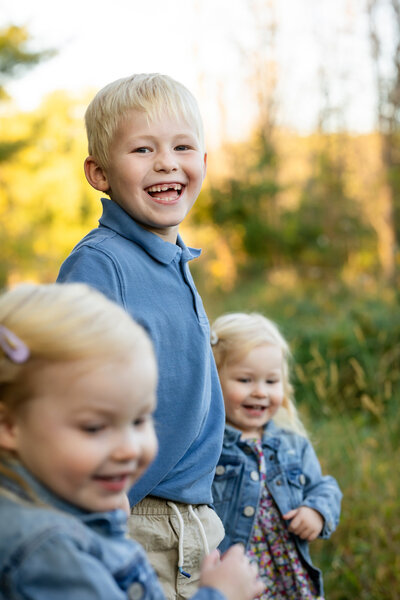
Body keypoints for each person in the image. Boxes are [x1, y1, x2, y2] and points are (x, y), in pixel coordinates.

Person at [56, 73, 226, 598]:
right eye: (143, 149)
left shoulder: (174, 259)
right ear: (99, 172)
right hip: (140, 521)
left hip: (196, 517)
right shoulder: (101, 264)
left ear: (203, 162)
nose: (167, 162)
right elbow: (70, 390)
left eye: (182, 147)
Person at [0, 282, 263, 600]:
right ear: (9, 425)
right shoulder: (49, 554)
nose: (129, 449)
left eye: (140, 420)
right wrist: (219, 594)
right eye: (95, 428)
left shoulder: (60, 511)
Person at [210, 312, 342, 600]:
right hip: (236, 577)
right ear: (213, 379)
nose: (260, 392)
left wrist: (316, 511)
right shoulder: (209, 446)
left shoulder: (292, 445)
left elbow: (324, 486)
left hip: (287, 577)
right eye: (245, 380)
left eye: (271, 381)